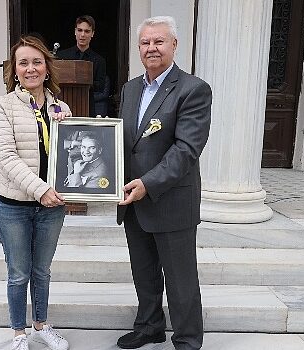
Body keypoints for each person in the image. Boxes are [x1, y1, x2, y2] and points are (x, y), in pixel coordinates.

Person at [116, 16, 212, 350]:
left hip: (170, 200)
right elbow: (125, 142)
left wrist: (147, 182)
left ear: (174, 44)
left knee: (180, 280)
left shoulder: (193, 89)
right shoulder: (130, 89)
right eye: (145, 42)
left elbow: (186, 150)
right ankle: (149, 327)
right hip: (133, 201)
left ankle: (187, 340)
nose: (151, 48)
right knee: (144, 273)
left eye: (159, 41)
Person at [0, 35, 72, 350]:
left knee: (42, 270)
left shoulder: (60, 107)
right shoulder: (3, 105)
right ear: (15, 69)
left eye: (37, 62)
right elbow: (6, 158)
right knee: (18, 272)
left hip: (51, 207)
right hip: (14, 206)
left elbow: (72, 153)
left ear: (47, 68)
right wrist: (41, 190)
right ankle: (19, 334)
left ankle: (41, 325)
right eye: (23, 62)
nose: (31, 68)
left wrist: (71, 127)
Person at [56, 15, 107, 116]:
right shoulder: (62, 56)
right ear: (75, 31)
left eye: (87, 31)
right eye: (80, 30)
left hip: (87, 107)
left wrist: (83, 81)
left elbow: (100, 86)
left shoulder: (99, 60)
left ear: (92, 34)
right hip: (63, 106)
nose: (82, 34)